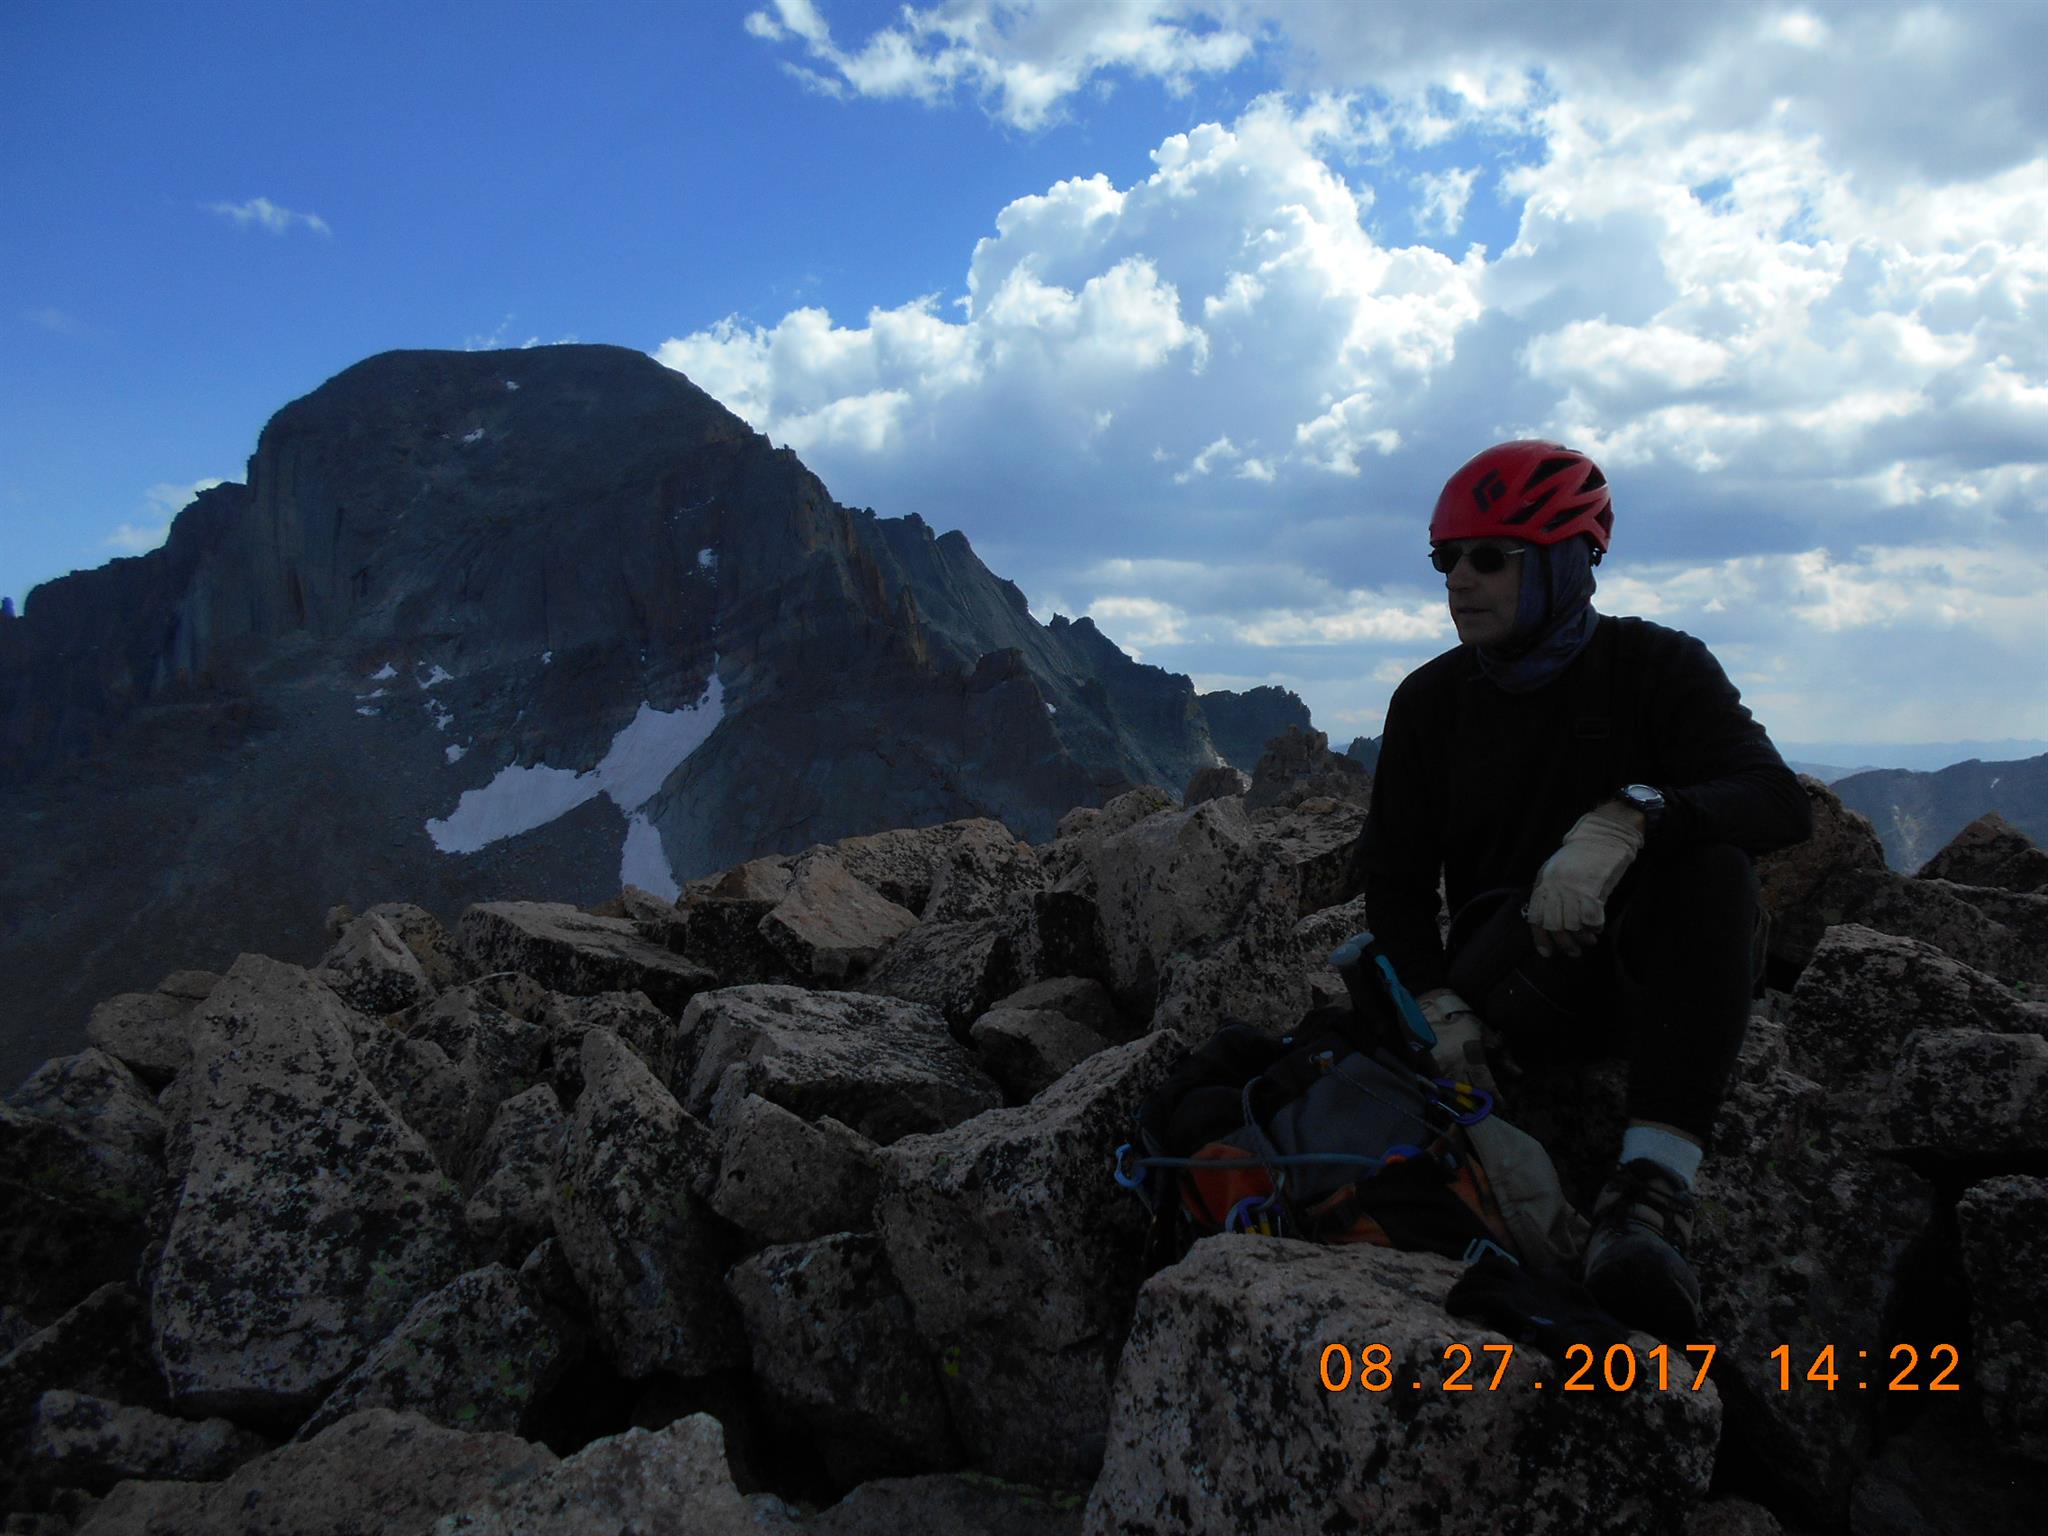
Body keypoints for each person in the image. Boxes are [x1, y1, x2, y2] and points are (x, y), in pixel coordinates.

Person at [1350, 439, 1812, 1340]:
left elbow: (1775, 802)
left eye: (1492, 557)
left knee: (1716, 868)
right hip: (1509, 993)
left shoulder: (1659, 668)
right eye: (1448, 558)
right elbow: (1395, 880)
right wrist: (1434, 1003)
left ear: (1568, 562)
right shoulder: (1430, 703)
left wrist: (1630, 817)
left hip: (1645, 976)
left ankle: (1650, 1193)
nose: (1460, 580)